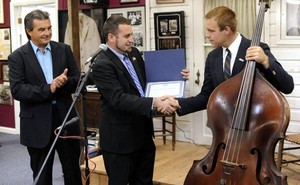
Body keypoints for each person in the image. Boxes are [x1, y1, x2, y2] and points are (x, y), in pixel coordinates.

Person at [91, 16, 187, 185]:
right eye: (127, 36)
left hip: (142, 135)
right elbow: (118, 99)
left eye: (132, 35)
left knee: (144, 182)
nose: (132, 40)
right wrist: (154, 103)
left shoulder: (134, 53)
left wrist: (177, 76)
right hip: (119, 142)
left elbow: (148, 82)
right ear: (111, 38)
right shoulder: (102, 64)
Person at [167, 6, 294, 116]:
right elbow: (208, 96)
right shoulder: (212, 57)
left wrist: (266, 61)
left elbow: (287, 86)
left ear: (227, 30)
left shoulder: (257, 49)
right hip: (225, 127)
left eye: (211, 31)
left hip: (255, 125)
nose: (207, 35)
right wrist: (178, 103)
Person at [8, 9, 82, 185]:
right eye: (41, 29)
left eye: (49, 28)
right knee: (42, 177)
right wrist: (50, 88)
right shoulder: (17, 57)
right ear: (29, 31)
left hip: (65, 119)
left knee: (73, 172)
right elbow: (18, 90)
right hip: (37, 124)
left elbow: (77, 80)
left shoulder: (63, 50)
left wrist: (64, 82)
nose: (47, 33)